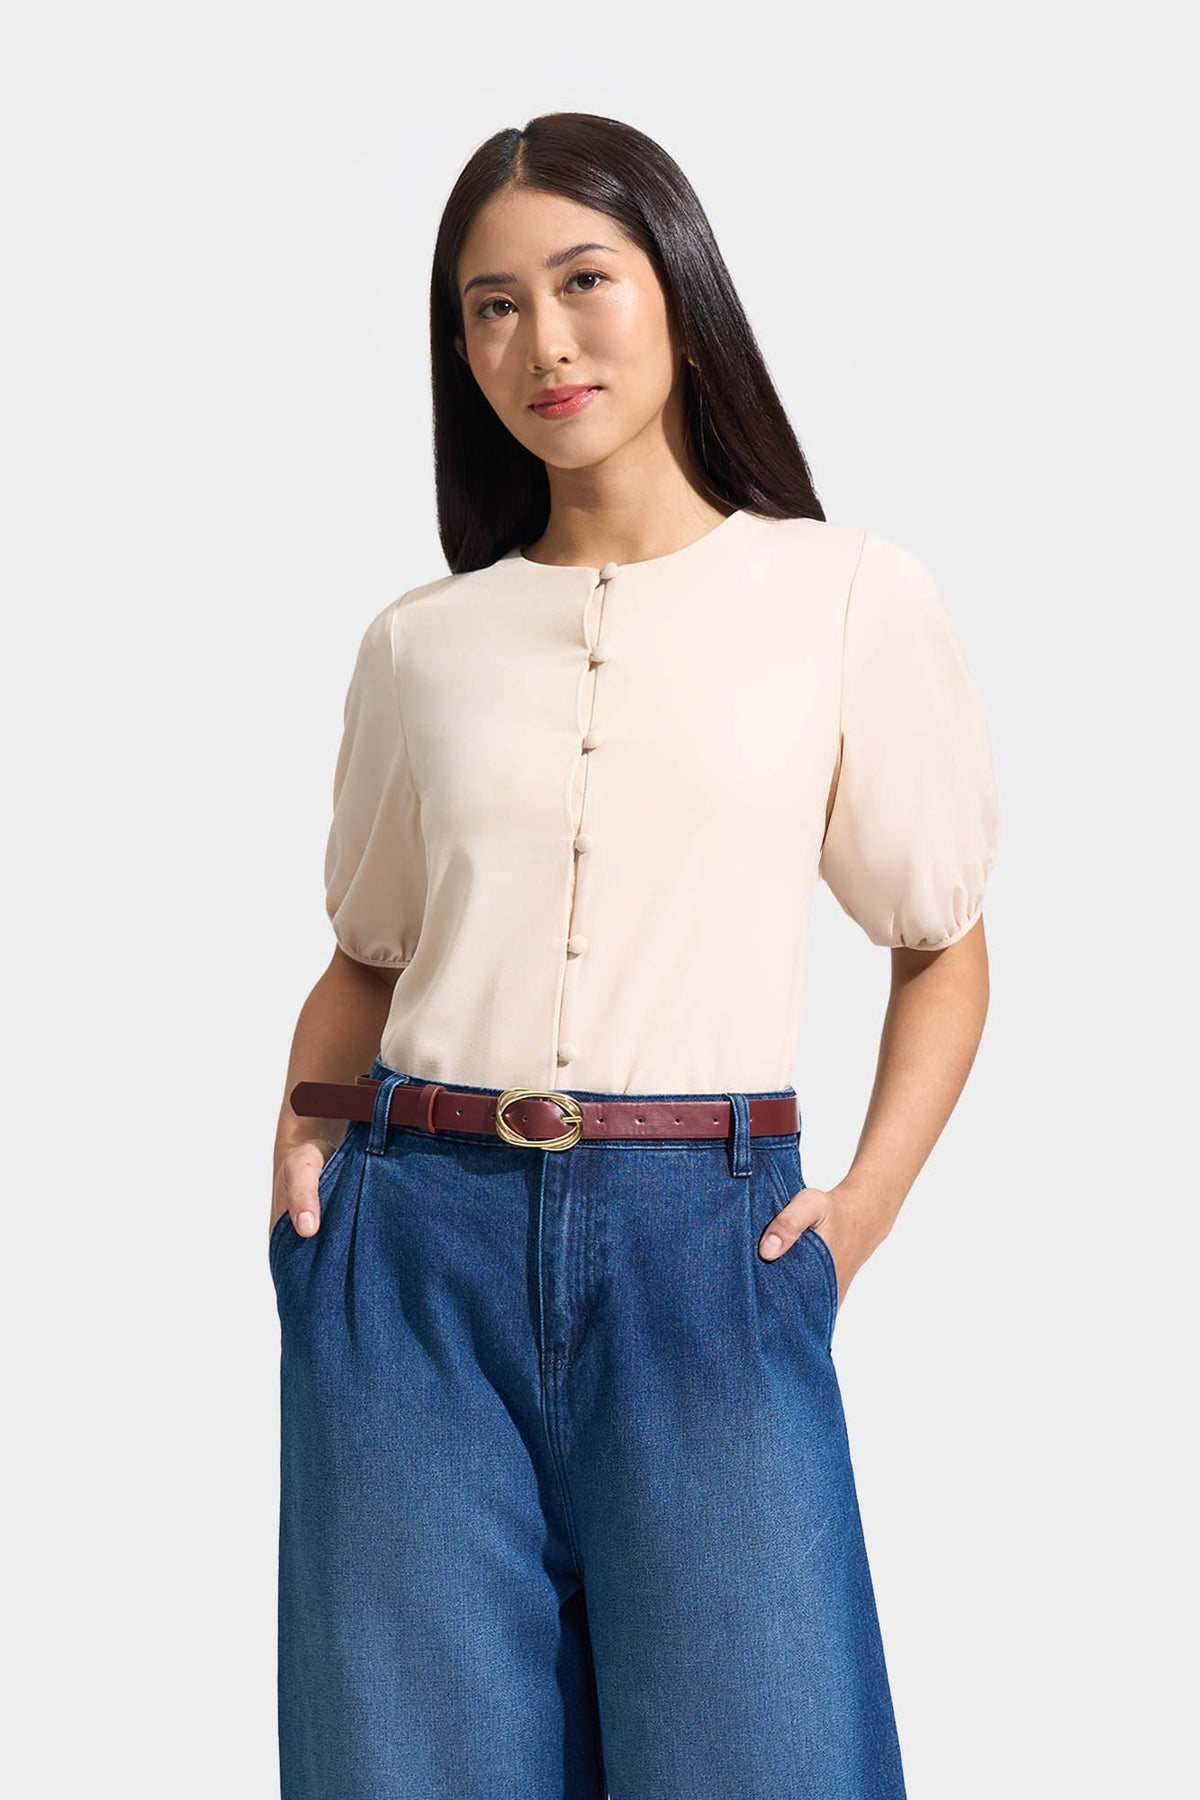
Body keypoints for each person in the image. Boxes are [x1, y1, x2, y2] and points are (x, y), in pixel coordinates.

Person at [267, 111, 1000, 1800]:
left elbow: (942, 945)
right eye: (492, 305)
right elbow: (365, 957)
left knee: (771, 1755)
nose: (544, 339)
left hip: (706, 1247)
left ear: (676, 283)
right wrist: (305, 1154)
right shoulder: (420, 646)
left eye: (583, 279)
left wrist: (862, 1215)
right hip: (412, 1253)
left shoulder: (843, 598)